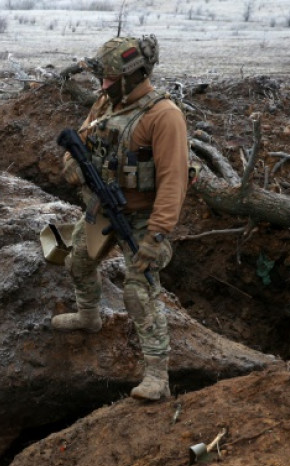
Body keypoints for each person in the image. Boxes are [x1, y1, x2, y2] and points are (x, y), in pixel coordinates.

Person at [52, 35, 190, 402]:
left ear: (133, 75)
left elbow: (173, 183)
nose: (104, 84)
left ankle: (158, 374)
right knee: (77, 260)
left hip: (143, 217)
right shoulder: (106, 103)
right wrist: (73, 166)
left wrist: (156, 236)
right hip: (104, 205)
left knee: (138, 289)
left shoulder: (164, 116)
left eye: (111, 78)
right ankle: (88, 315)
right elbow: (80, 139)